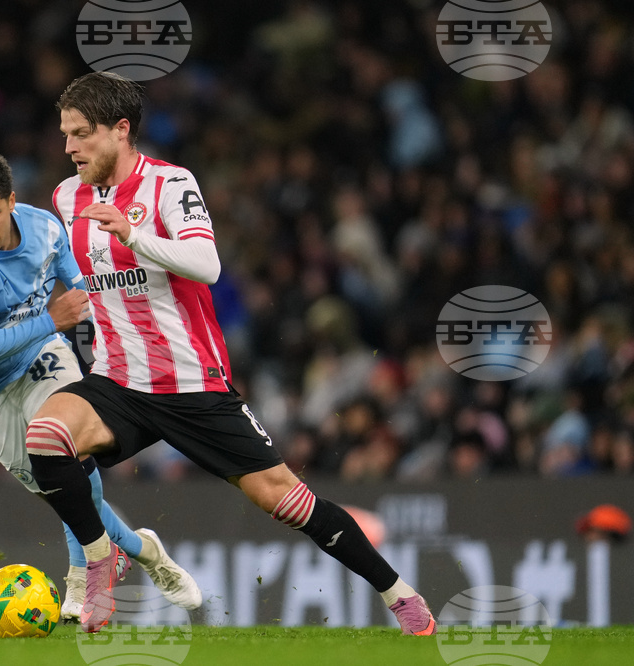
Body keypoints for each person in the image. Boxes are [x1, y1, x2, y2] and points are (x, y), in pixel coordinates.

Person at [26, 72, 437, 635]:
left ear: (121, 131)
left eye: (81, 134)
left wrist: (133, 235)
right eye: (65, 134)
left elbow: (207, 265)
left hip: (194, 384)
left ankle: (398, 593)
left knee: (288, 501)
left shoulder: (170, 185)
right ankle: (103, 558)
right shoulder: (66, 195)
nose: (68, 147)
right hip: (119, 381)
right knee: (46, 438)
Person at [0, 151, 202, 621]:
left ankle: (84, 574)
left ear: (12, 201)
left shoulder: (47, 231)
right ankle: (141, 548)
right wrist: (51, 318)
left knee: (62, 452)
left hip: (40, 359)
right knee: (61, 490)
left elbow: (86, 291)